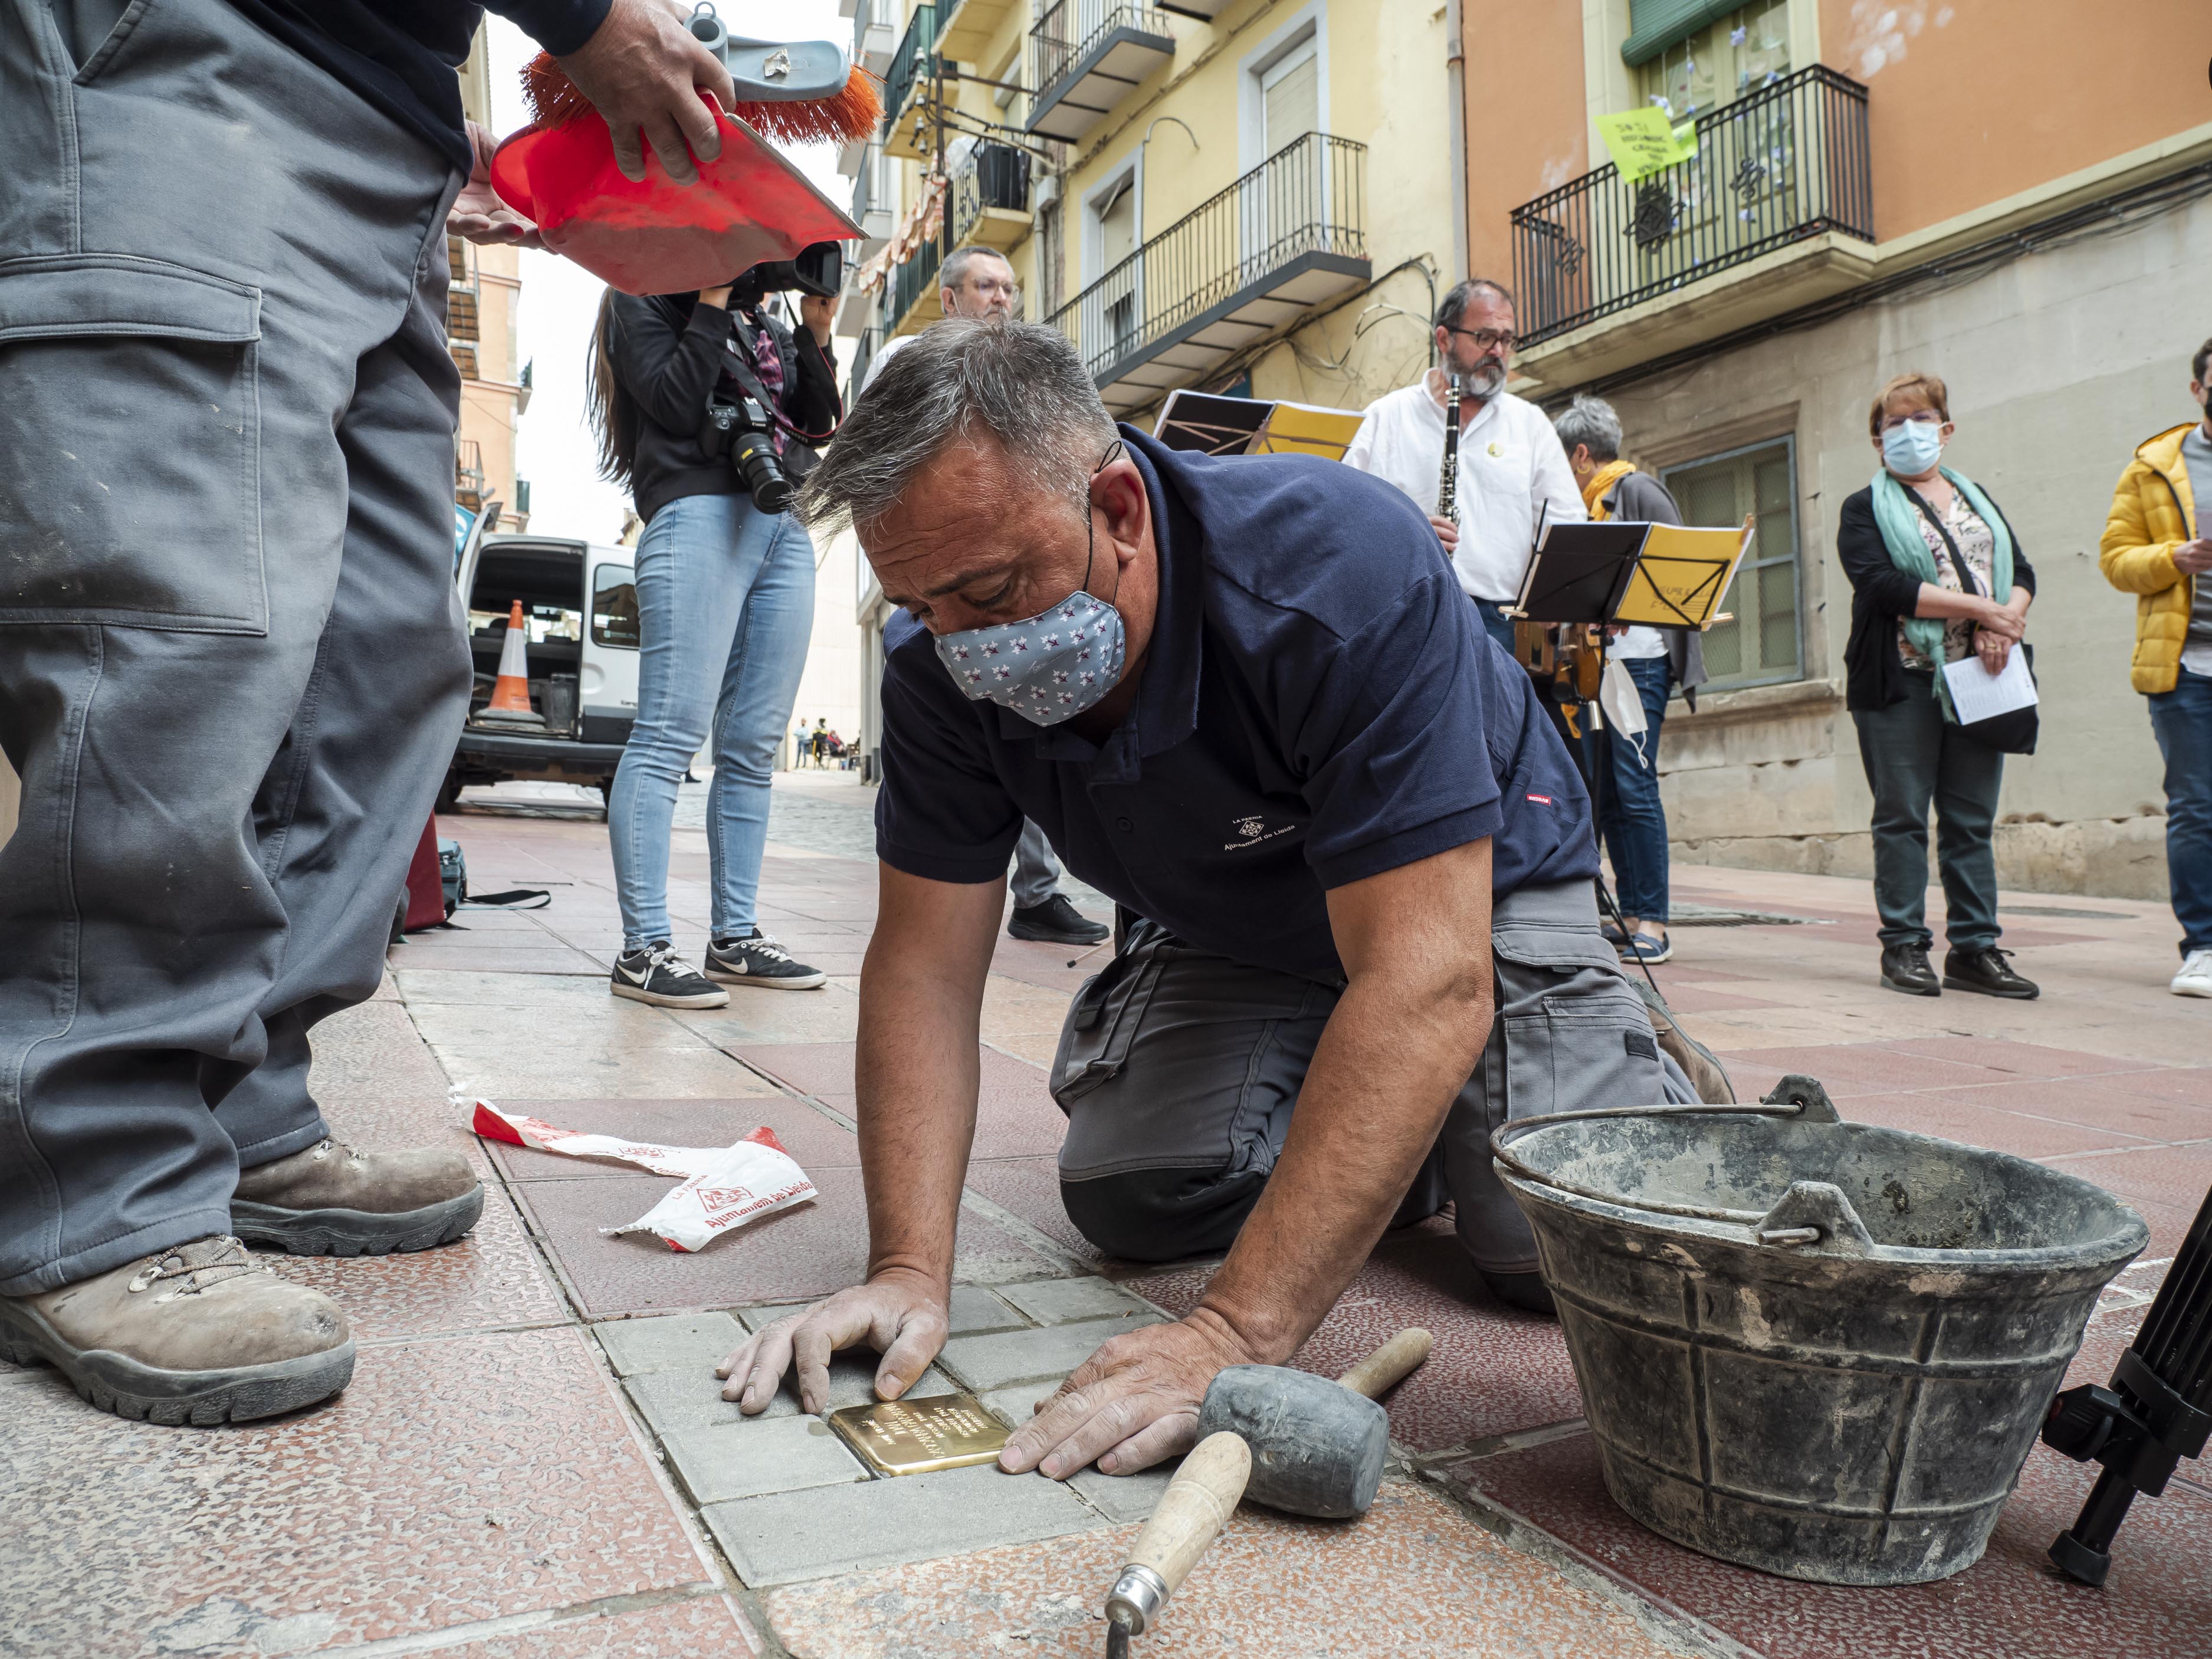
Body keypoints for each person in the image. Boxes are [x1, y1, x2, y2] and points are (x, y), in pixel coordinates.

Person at [714, 321, 1689, 1485]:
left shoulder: (1337, 563)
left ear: (1119, 507)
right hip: (1245, 913)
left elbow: (1426, 975)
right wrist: (906, 1267)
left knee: (1552, 1244)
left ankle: (1613, 1058)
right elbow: (925, 966)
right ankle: (1417, 1100)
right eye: (926, 606)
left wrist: (1231, 1332)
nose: (967, 649)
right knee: (1140, 1186)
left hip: (1478, 891)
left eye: (988, 588)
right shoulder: (939, 669)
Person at [0, 0, 731, 1425]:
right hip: (191, 58)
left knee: (383, 659)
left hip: (377, 145)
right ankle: (94, 1174)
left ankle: (237, 1109)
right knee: (183, 630)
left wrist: (411, 105)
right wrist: (585, 19)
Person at [588, 264, 842, 1007]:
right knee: (669, 735)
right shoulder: (642, 296)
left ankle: (734, 938)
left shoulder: (760, 319)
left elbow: (818, 423)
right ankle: (643, 950)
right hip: (695, 513)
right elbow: (671, 401)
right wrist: (703, 299)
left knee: (753, 747)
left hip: (782, 522)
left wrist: (816, 332)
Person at [862, 244, 1110, 950]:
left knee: (1039, 710)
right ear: (948, 298)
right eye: (985, 285)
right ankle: (931, 876)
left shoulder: (1027, 370)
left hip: (1012, 574)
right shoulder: (907, 360)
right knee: (933, 723)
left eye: (1009, 286)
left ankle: (1037, 892)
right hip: (943, 576)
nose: (1002, 297)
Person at [1837, 372, 2037, 1000]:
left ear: (1945, 429)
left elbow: (2022, 572)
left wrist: (2005, 623)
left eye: (1919, 418)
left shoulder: (1977, 498)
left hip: (1983, 672)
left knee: (1971, 819)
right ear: (1877, 440)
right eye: (1892, 423)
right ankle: (1904, 945)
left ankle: (1976, 949)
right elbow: (1883, 586)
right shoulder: (1863, 507)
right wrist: (1983, 611)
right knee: (1901, 816)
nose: (1906, 432)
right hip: (1902, 678)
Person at [1344, 279, 1584, 657]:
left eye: (1507, 340)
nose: (1499, 352)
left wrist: (1552, 595)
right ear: (1444, 338)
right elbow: (1347, 519)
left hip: (1502, 623)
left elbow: (1566, 521)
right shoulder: (1385, 417)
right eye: (1485, 337)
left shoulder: (1530, 423)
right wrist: (1411, 533)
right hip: (1407, 612)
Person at [1552, 395, 1707, 965]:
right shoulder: (1588, 506)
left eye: (1564, 459)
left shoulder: (1637, 491)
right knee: (1613, 792)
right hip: (1601, 663)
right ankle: (1632, 911)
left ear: (1583, 455)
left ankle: (1657, 921)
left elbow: (1681, 574)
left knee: (1636, 784)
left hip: (1640, 657)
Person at [2101, 339, 2212, 998]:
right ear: (2198, 388)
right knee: (2197, 807)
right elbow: (2116, 559)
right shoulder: (2153, 468)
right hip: (2187, 669)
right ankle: (2203, 944)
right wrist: (2175, 557)